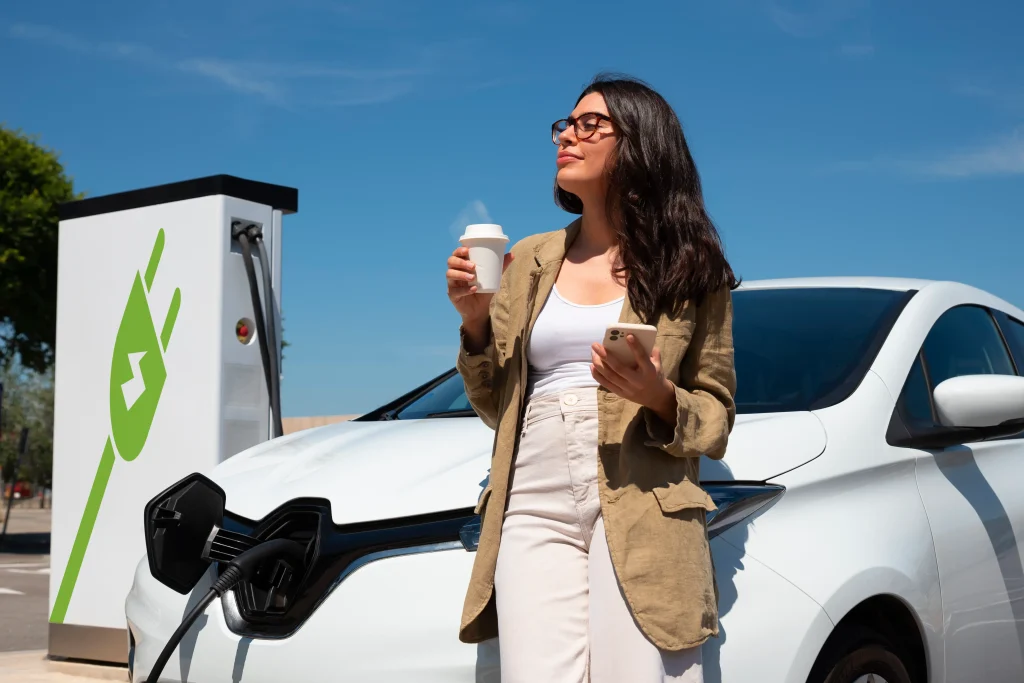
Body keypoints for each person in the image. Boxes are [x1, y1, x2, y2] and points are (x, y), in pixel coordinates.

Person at [445, 74, 739, 683]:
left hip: (641, 496)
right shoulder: (528, 259)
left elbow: (716, 416)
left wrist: (657, 396)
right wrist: (475, 324)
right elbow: (497, 406)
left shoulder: (691, 268)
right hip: (531, 498)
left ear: (640, 145)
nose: (567, 137)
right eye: (566, 125)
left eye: (590, 125)